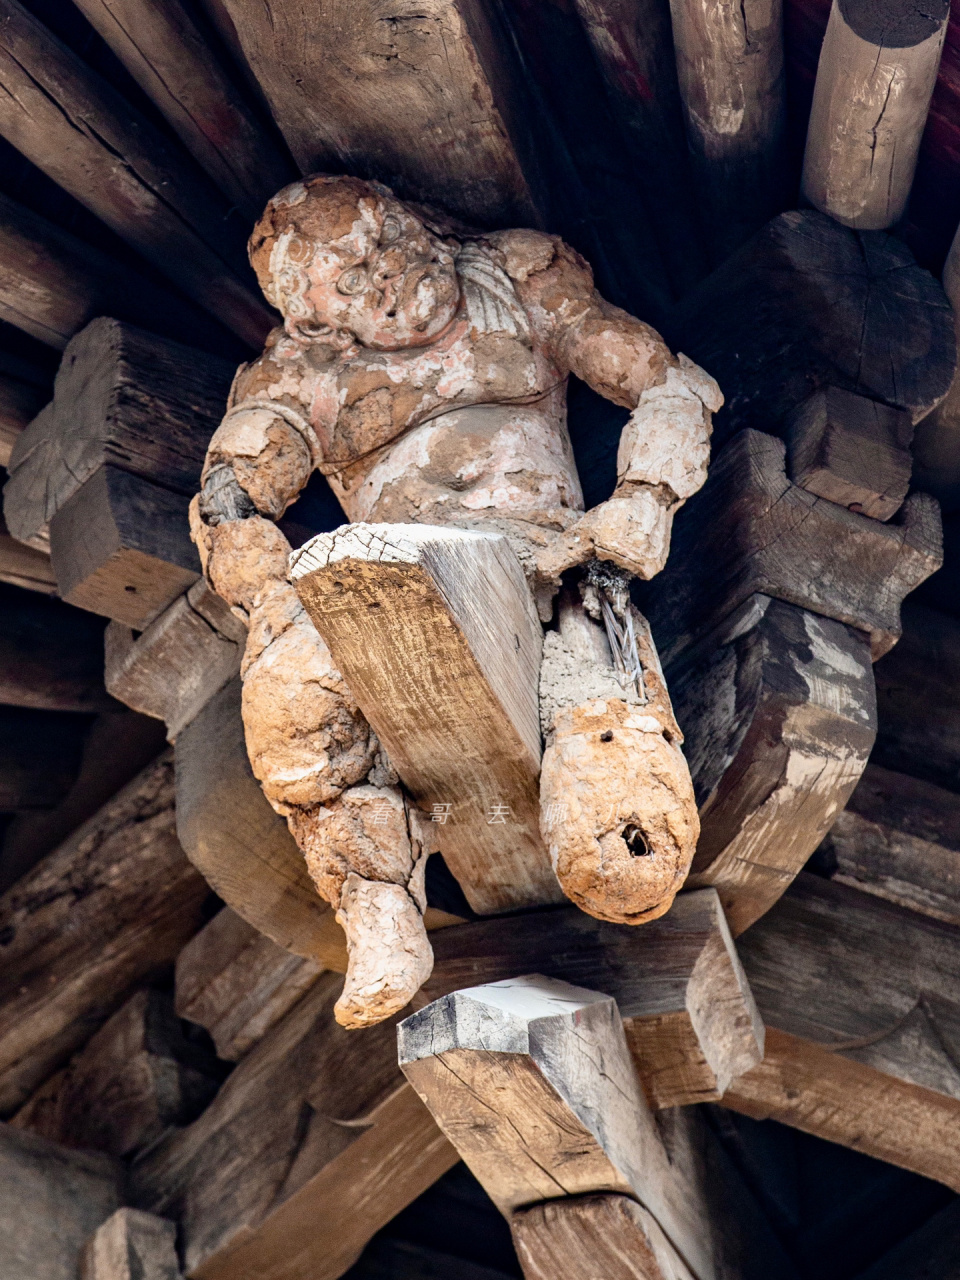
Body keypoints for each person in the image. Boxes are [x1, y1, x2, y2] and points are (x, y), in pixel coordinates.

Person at [191, 175, 721, 1027]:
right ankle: (376, 901)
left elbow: (668, 382)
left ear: (412, 215)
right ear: (319, 320)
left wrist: (647, 496)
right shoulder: (297, 373)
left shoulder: (516, 275)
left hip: (544, 562)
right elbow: (230, 499)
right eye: (356, 280)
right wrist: (267, 591)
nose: (392, 269)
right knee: (288, 692)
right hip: (380, 580)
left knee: (630, 857)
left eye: (389, 237)